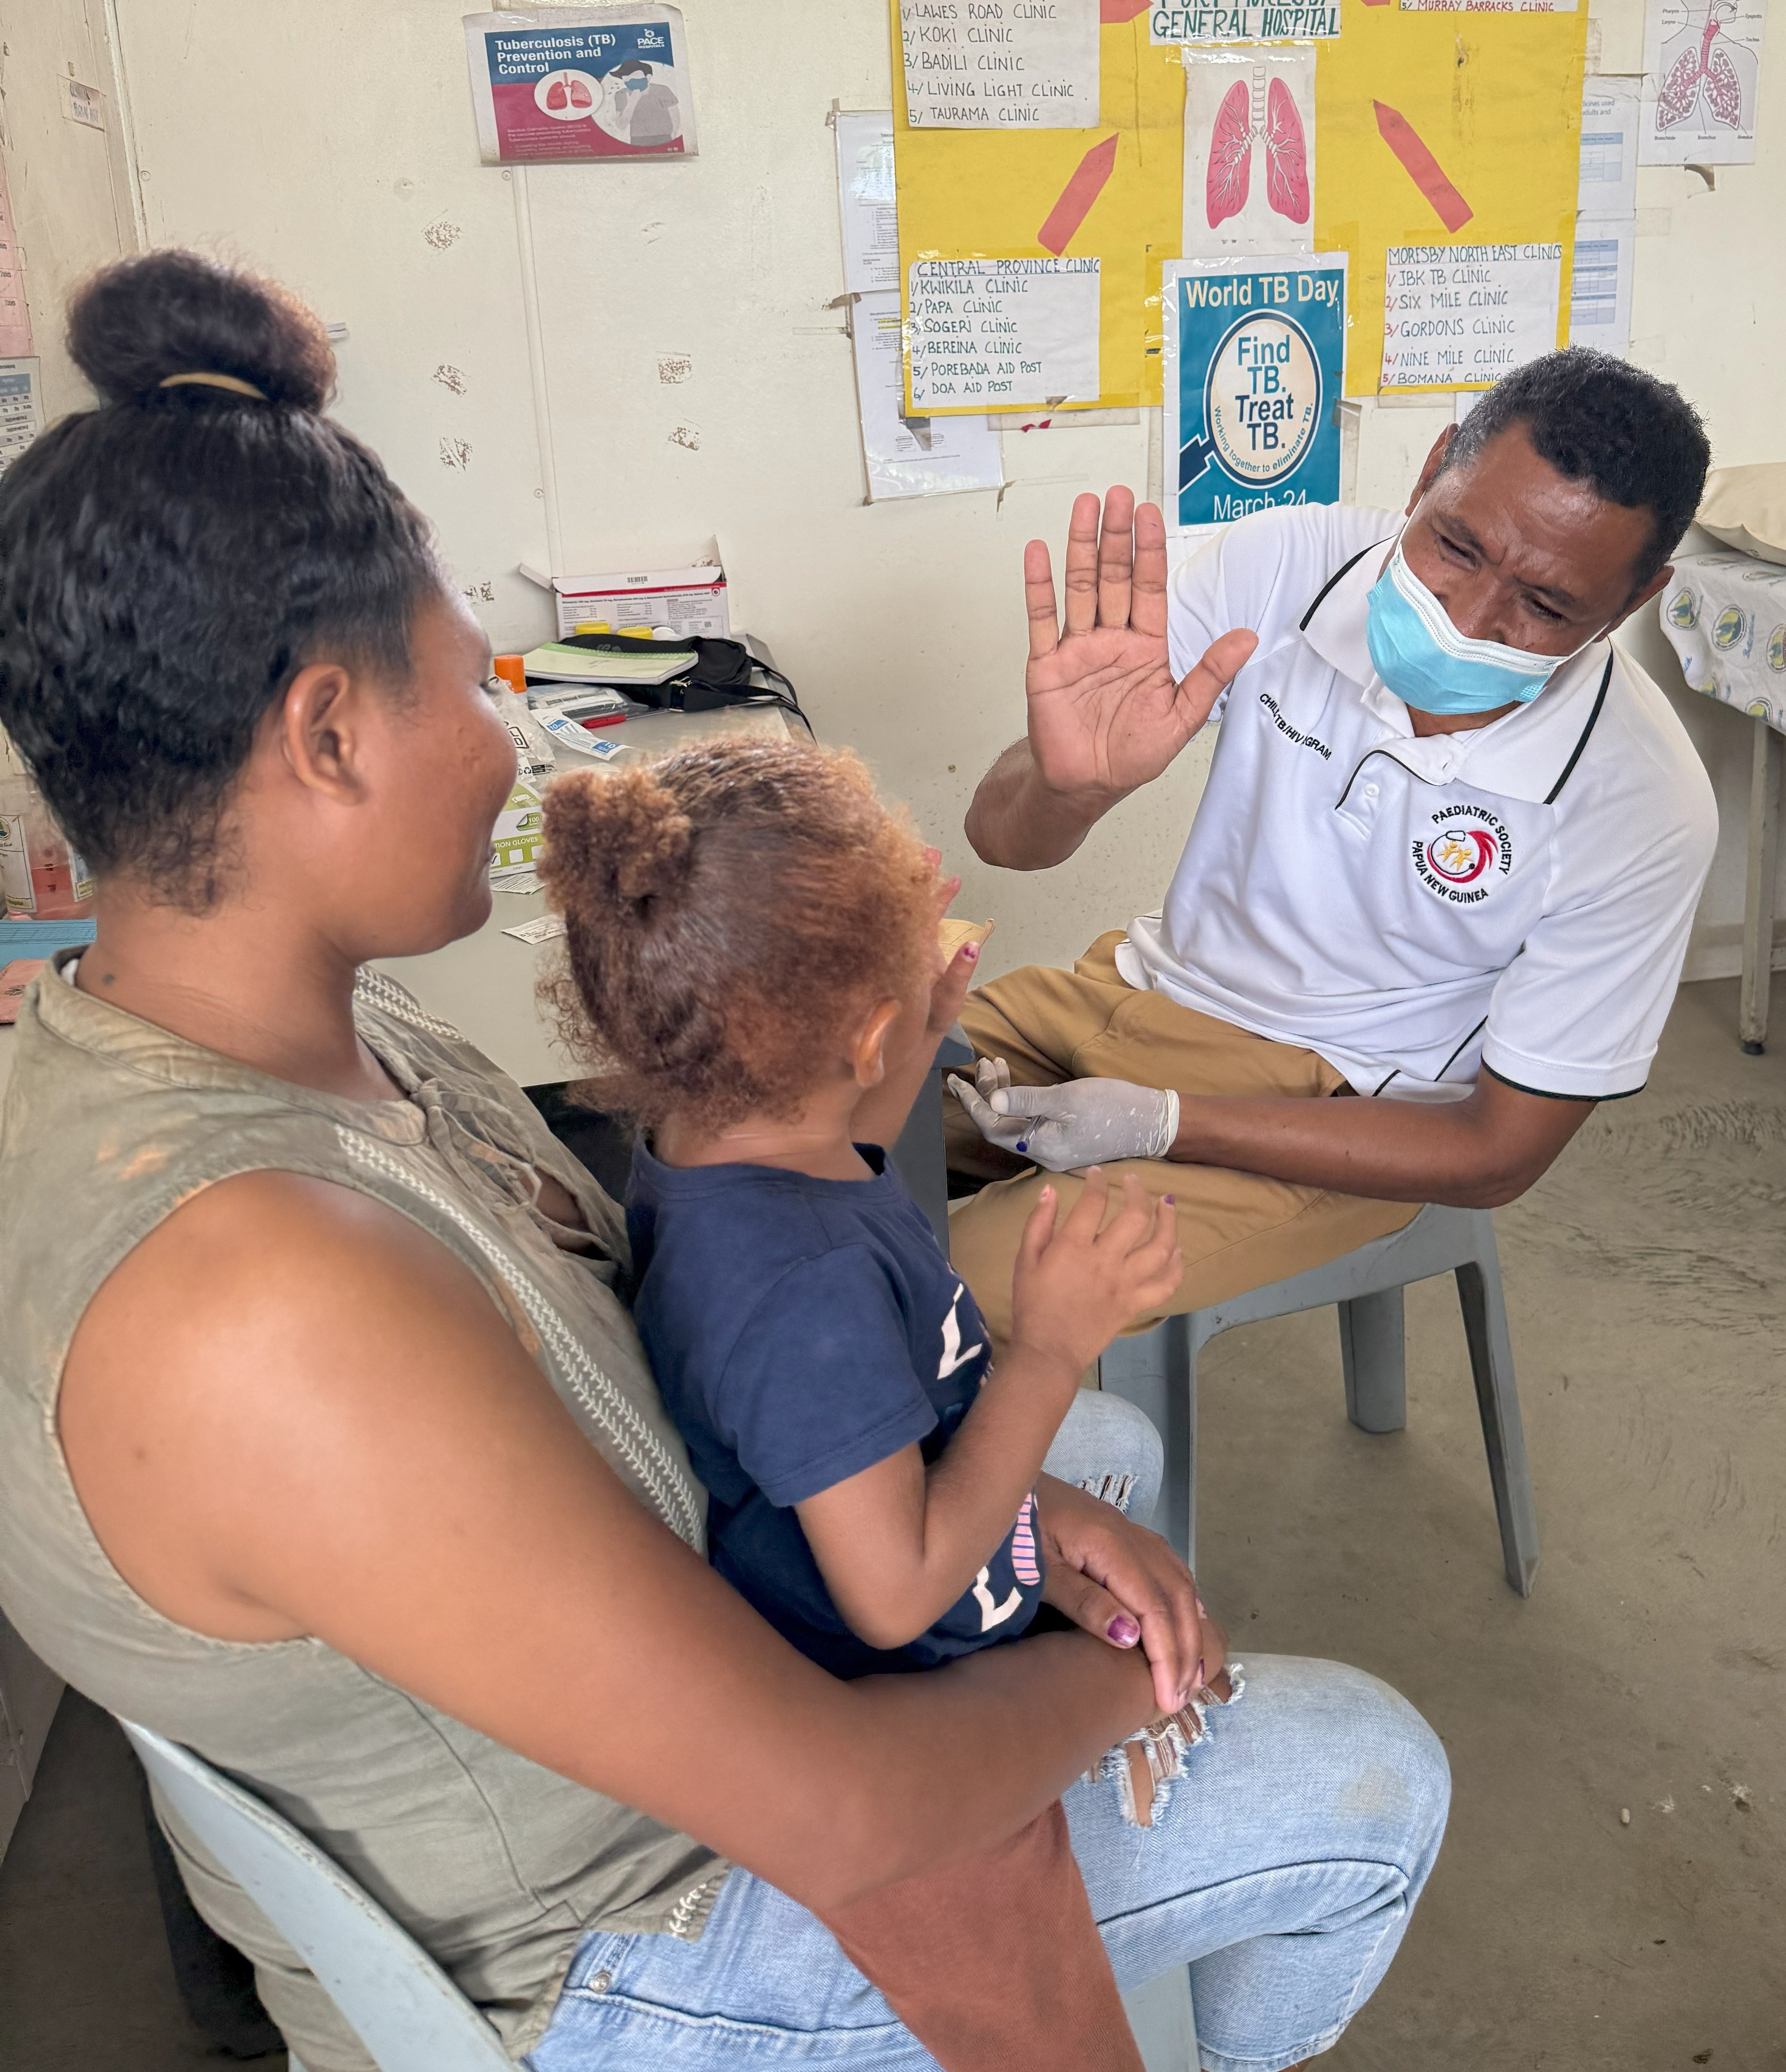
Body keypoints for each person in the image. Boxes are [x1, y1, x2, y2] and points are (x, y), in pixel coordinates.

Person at [0, 249, 1448, 2072]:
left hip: (663, 1679)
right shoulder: (254, 1296)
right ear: (326, 729)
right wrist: (1112, 1675)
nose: (514, 733)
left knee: (1104, 1457)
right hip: (613, 1942)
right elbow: (842, 1809)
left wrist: (1034, 1519)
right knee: (1376, 1770)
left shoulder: (302, 1045)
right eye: (470, 681)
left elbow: (673, 1349)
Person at [944, 350, 1719, 1339]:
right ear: (1432, 466)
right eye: (1456, 546)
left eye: (1544, 605)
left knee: (940, 1292)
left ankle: (1038, 1487)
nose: (1464, 620)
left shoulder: (1639, 806)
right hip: (1131, 992)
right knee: (780, 1094)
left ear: (1634, 599)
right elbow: (998, 840)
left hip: (1344, 1109)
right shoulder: (1282, 566)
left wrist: (1166, 1120)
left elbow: (1497, 1156)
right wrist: (1067, 789)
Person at [538, 744, 1226, 1802]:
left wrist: (920, 1030)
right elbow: (897, 1593)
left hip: (890, 1521)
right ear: (860, 1035)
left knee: (1122, 1465)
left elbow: (845, 1149)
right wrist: (1049, 1350)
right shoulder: (803, 1300)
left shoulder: (708, 1136)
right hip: (911, 1672)